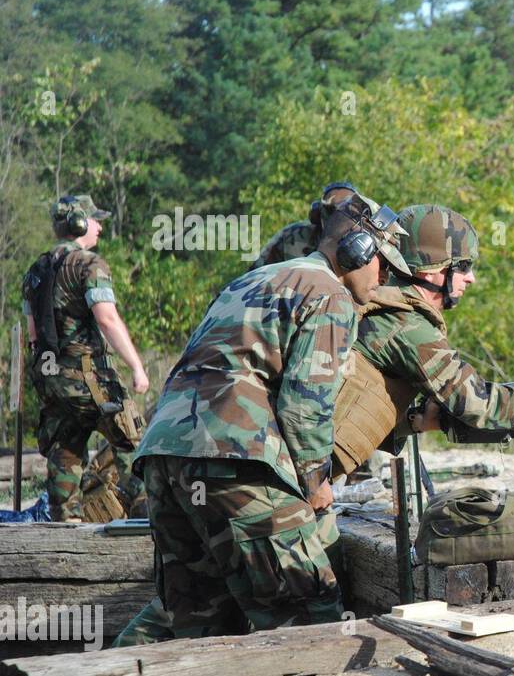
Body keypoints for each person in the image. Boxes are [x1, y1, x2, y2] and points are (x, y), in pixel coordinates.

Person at [125, 191, 410, 640]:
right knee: (309, 616)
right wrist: (316, 484)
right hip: (237, 456)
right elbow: (303, 406)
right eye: (385, 264)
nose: (386, 277)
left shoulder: (254, 279)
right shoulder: (330, 295)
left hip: (165, 453)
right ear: (360, 251)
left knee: (196, 619)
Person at [330, 203, 514, 476]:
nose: (471, 278)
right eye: (462, 266)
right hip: (294, 477)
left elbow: (353, 405)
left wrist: (416, 423)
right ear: (431, 269)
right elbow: (479, 403)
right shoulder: (407, 326)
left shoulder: (382, 305)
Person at [21, 195, 149, 521]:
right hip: (89, 377)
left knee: (65, 450)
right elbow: (107, 319)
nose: (101, 225)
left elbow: (33, 334)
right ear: (79, 223)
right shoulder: (89, 264)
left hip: (51, 379)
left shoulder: (36, 270)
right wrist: (136, 366)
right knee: (135, 443)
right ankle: (151, 521)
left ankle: (66, 530)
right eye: (95, 219)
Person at [244, 181, 359, 269]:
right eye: (331, 211)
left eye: (348, 211)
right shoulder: (293, 236)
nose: (338, 220)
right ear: (319, 214)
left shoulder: (367, 242)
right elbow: (256, 276)